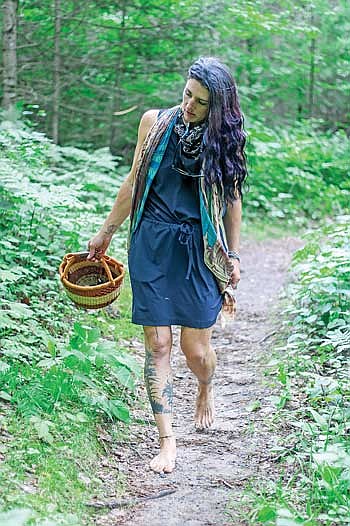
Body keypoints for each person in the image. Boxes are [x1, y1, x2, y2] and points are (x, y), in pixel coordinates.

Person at [87, 57, 248, 474]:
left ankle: (205, 387)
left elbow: (231, 201)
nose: (189, 105)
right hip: (151, 244)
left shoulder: (222, 142)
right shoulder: (154, 123)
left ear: (217, 108)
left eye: (201, 102)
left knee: (196, 350)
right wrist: (107, 230)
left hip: (199, 248)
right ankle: (167, 441)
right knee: (158, 346)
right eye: (187, 95)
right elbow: (133, 181)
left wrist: (232, 254)